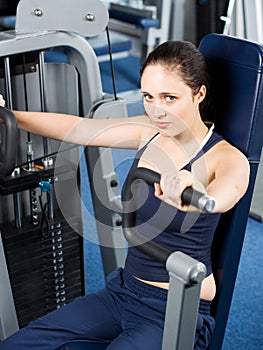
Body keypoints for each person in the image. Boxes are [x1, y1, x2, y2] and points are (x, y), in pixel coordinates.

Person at [0, 40, 249, 350]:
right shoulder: (151, 131)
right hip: (122, 292)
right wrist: (8, 115)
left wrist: (196, 192)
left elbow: (227, 191)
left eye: (169, 98)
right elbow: (80, 129)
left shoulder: (224, 157)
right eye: (148, 97)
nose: (157, 110)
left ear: (199, 94)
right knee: (20, 344)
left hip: (174, 312)